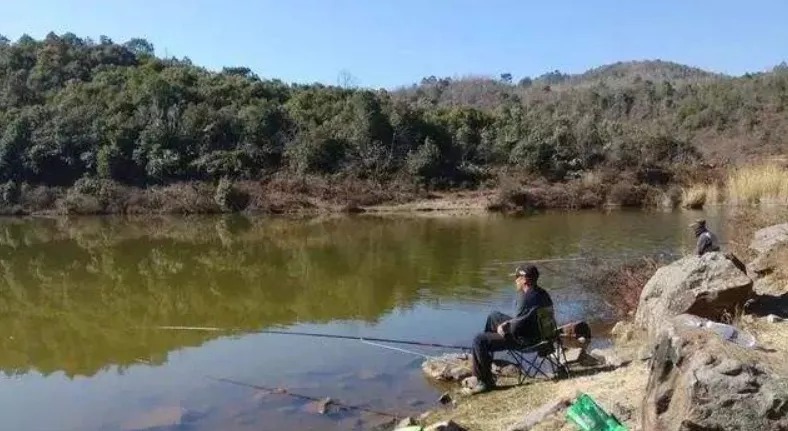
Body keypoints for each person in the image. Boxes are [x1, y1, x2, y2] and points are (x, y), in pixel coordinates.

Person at [463, 264, 554, 395]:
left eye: (517, 277)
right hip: (542, 336)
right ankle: (486, 361)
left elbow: (516, 328)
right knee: (494, 315)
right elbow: (524, 318)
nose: (515, 280)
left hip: (526, 341)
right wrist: (507, 323)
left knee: (479, 340)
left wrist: (505, 327)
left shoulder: (525, 298)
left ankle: (484, 381)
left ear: (525, 280)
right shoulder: (541, 293)